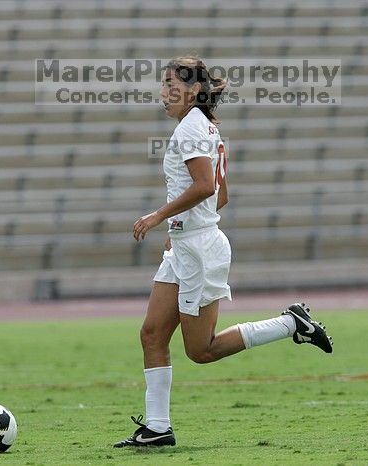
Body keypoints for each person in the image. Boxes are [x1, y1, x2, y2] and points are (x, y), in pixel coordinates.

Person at [113, 56, 332, 448]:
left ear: (194, 90)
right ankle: (158, 428)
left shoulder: (192, 128)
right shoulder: (203, 127)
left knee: (202, 350)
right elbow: (222, 194)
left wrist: (160, 217)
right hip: (186, 245)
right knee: (151, 334)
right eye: (162, 85)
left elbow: (206, 188)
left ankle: (290, 324)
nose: (163, 93)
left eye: (170, 84)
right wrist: (179, 227)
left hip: (198, 251)